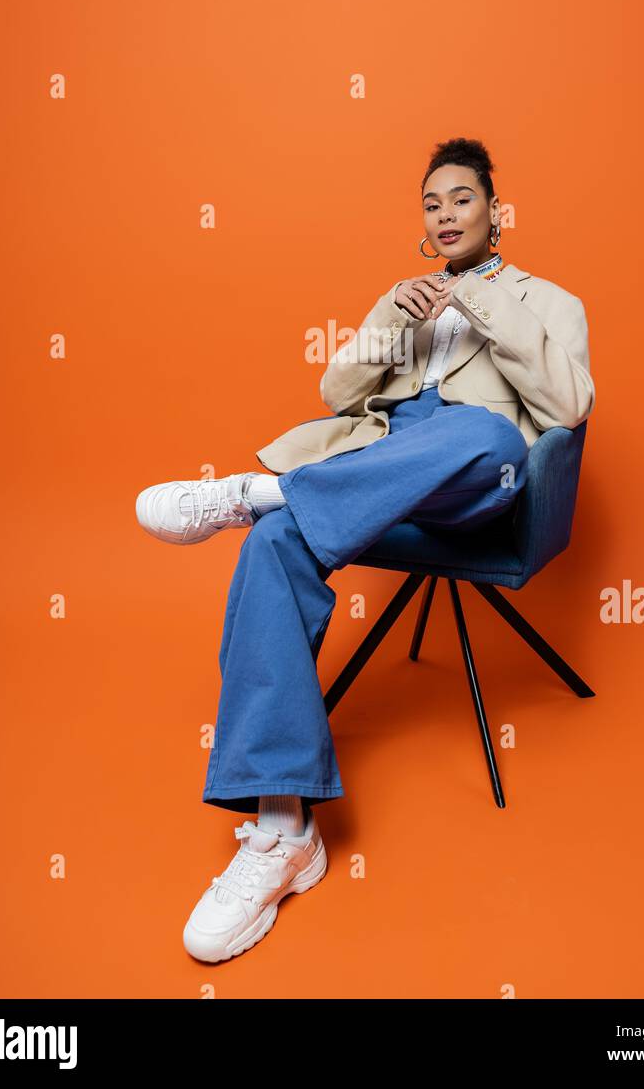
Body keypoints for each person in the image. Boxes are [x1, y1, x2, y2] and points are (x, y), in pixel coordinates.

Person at [135, 136, 596, 964]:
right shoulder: (407, 302)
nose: (446, 213)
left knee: (482, 430)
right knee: (276, 545)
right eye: (432, 203)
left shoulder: (546, 301)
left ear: (496, 211)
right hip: (374, 477)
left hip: (474, 480)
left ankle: (250, 493)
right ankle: (283, 829)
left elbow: (565, 407)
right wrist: (393, 319)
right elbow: (337, 394)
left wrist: (482, 310)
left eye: (462, 198)